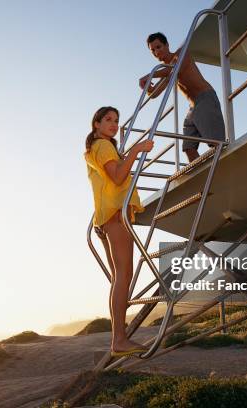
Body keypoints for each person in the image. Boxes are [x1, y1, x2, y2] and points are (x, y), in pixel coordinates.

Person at [84, 106, 154, 357]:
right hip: (113, 217)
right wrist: (136, 150)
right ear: (97, 124)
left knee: (119, 278)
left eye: (116, 120)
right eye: (108, 120)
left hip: (106, 218)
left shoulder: (100, 148)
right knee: (124, 274)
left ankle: (118, 339)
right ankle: (119, 340)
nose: (114, 124)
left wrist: (128, 155)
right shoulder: (102, 146)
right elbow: (116, 177)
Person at [139, 32, 225, 162]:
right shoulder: (167, 70)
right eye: (153, 50)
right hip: (193, 107)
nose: (156, 52)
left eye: (158, 47)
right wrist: (148, 89)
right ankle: (201, 174)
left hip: (205, 98)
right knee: (188, 147)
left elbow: (175, 68)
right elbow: (155, 93)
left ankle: (222, 167)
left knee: (215, 142)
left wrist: (150, 75)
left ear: (167, 45)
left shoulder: (181, 54)